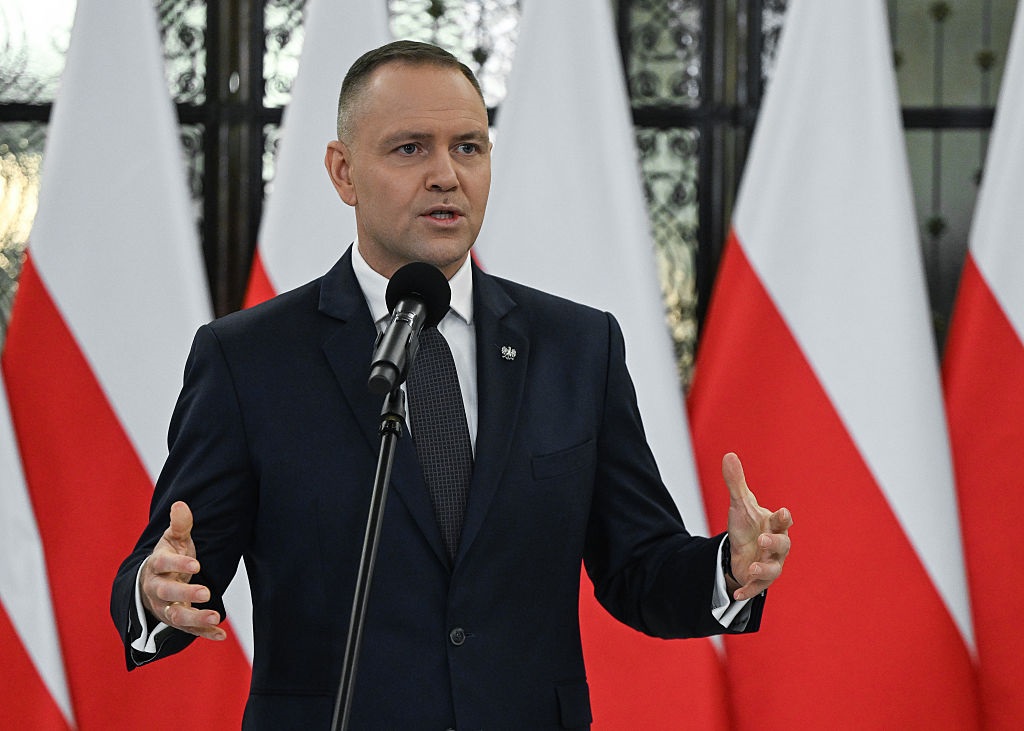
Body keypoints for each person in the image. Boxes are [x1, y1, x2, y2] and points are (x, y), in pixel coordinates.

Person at [111, 40, 792, 730]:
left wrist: (727, 567)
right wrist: (155, 590)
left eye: (468, 148)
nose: (446, 175)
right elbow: (178, 562)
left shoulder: (577, 347)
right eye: (410, 149)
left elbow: (637, 566)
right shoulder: (249, 359)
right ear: (343, 171)